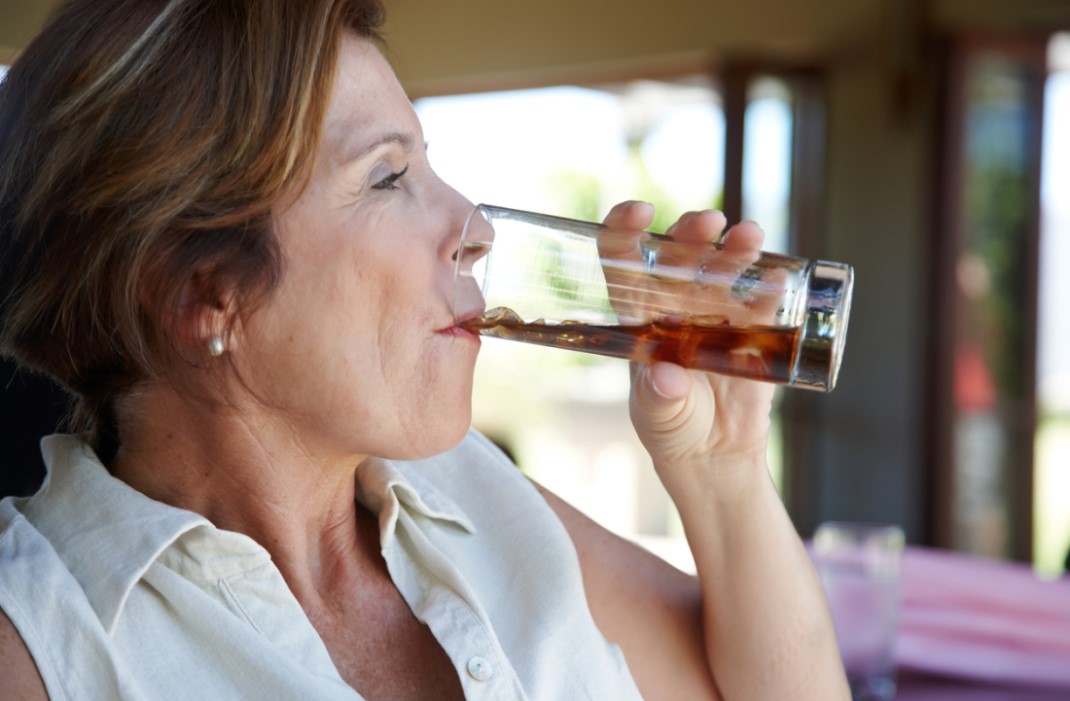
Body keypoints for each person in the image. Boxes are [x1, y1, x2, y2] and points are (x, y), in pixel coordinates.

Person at [0, 1, 848, 699]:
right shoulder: (42, 643)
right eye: (386, 177)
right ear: (201, 292)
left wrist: (721, 469)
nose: (475, 229)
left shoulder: (471, 494)